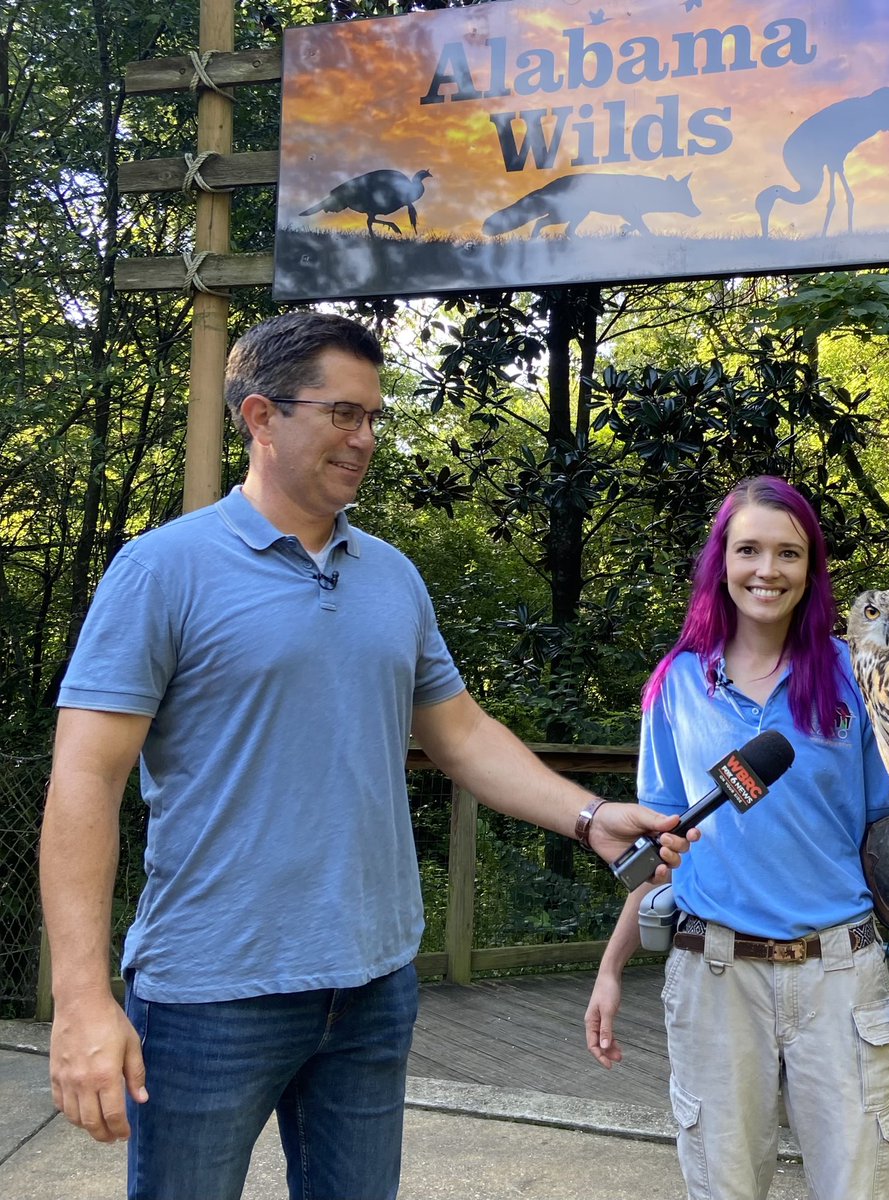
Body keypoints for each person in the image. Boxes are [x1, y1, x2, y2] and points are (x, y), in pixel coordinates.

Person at [39, 310, 693, 1200]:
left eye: (375, 416)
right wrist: (80, 999)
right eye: (344, 413)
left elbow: (459, 733)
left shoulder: (391, 575)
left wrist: (588, 816)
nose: (366, 437)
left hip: (373, 984)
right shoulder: (162, 571)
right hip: (209, 990)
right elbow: (85, 777)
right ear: (260, 416)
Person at [584, 476, 889, 1200]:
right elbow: (661, 848)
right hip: (714, 974)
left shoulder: (856, 679)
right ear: (720, 561)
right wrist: (610, 969)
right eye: (749, 550)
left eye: (787, 554)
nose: (767, 570)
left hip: (838, 975)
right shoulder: (675, 685)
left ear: (810, 568)